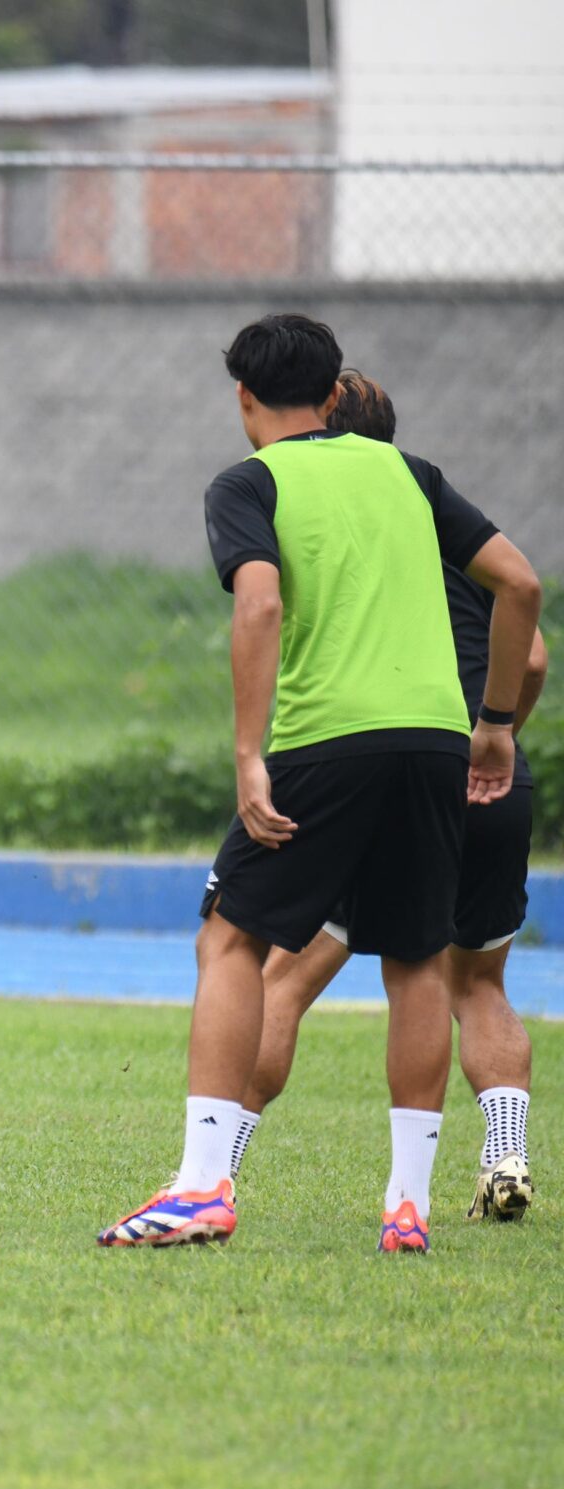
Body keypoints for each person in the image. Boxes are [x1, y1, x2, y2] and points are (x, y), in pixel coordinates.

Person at [99, 313, 538, 1254]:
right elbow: (522, 587)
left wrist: (250, 754)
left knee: (231, 940)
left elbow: (258, 601)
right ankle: (406, 1207)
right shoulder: (410, 474)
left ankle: (203, 1186)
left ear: (244, 397)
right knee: (418, 961)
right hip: (436, 742)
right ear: (335, 392)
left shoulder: (249, 481)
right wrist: (493, 725)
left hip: (322, 740)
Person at [234, 371, 544, 1224]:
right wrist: (499, 735)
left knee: (284, 979)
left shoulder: (332, 520)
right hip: (483, 767)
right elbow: (537, 653)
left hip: (378, 768)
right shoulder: (447, 517)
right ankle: (506, 1152)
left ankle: (213, 1165)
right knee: (473, 982)